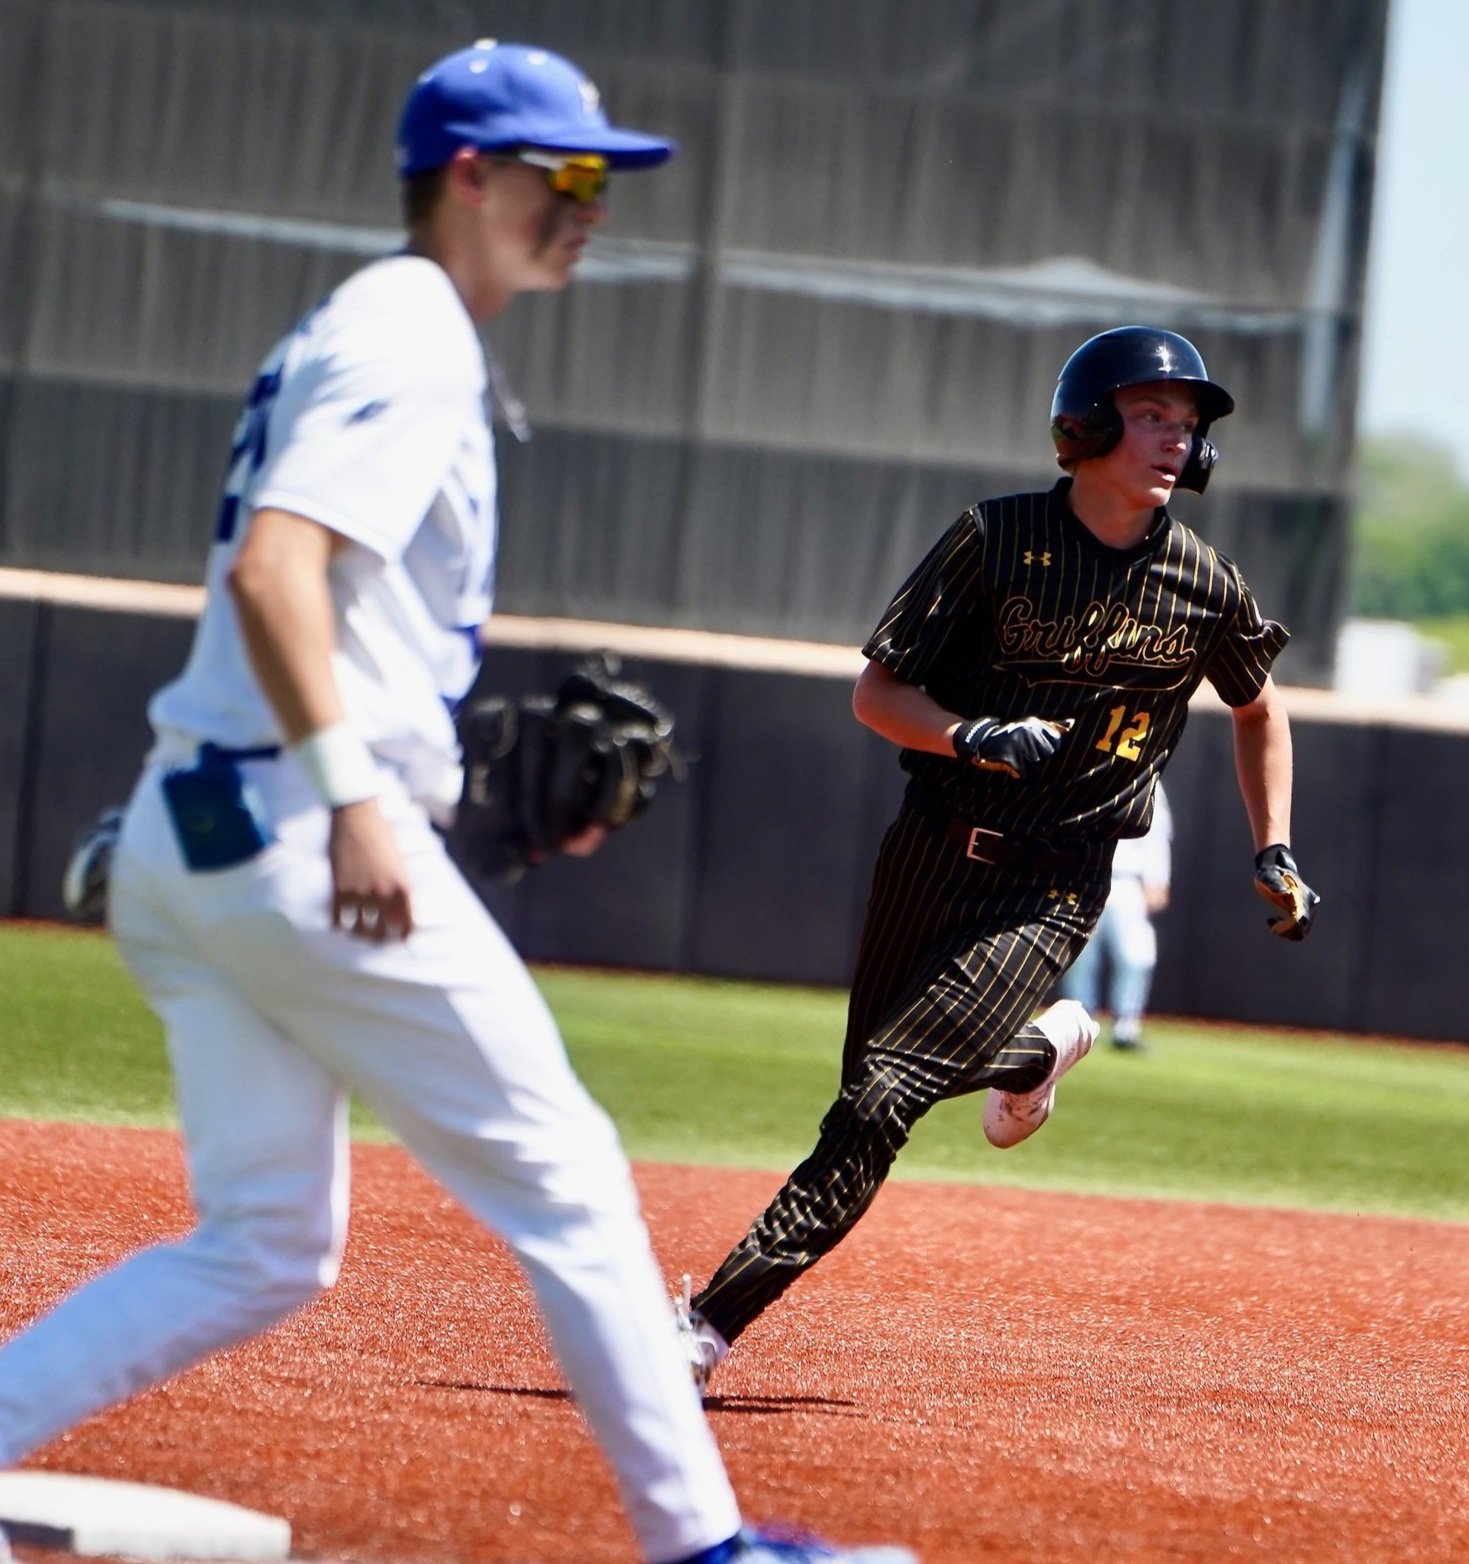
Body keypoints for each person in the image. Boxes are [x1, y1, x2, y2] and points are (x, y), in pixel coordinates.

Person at [0, 42, 906, 1564]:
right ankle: (702, 1548)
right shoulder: (411, 328)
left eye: (599, 180)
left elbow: (317, 603)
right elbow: (273, 567)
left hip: (203, 827)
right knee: (566, 1174)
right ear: (469, 177)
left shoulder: (381, 325)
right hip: (299, 828)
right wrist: (361, 800)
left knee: (265, 1244)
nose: (590, 205)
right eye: (565, 176)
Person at [682, 326, 1322, 1388]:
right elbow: (877, 694)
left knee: (878, 1100)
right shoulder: (993, 539)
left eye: (1188, 423)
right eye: (1152, 414)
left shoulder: (1205, 583)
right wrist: (968, 733)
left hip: (1054, 875)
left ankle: (702, 1326)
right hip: (930, 851)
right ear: (1090, 421)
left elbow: (1258, 710)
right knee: (868, 1096)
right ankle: (1038, 1052)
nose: (1175, 439)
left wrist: (1276, 846)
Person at [1057, 779, 1173, 1051]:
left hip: (1127, 881)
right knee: (1080, 957)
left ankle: (1127, 1027)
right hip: (1082, 878)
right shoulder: (1088, 771)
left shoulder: (1149, 779)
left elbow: (1159, 833)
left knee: (1137, 956)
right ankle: (1080, 1027)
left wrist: (1158, 879)